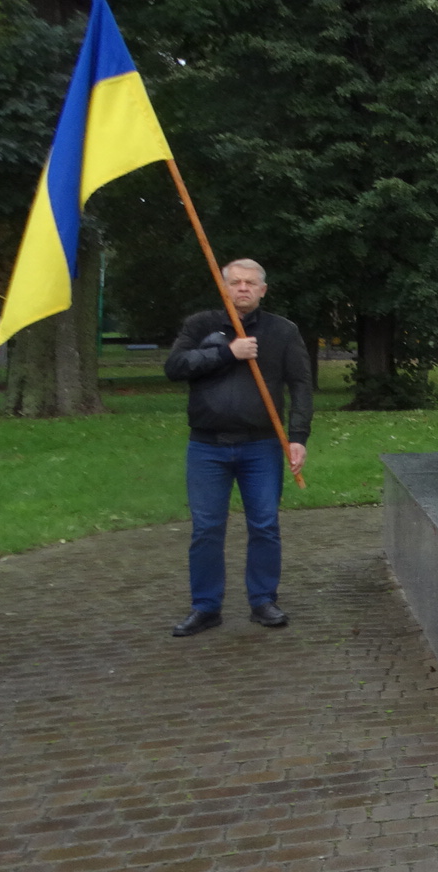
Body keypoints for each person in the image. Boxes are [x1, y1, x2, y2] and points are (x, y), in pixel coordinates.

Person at [164, 258, 312, 636]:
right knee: (206, 528)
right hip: (207, 447)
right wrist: (229, 352)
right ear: (224, 287)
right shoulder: (200, 325)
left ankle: (263, 600)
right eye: (235, 282)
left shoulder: (282, 331)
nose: (242, 288)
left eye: (250, 283)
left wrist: (297, 437)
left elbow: (300, 385)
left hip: (261, 446)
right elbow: (175, 366)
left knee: (264, 524)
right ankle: (205, 607)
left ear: (263, 290)